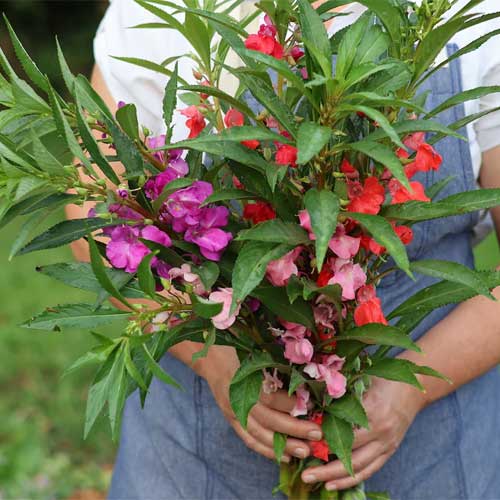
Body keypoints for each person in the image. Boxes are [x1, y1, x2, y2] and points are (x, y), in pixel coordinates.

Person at [67, 1, 500, 498]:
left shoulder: (477, 16)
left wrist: (408, 389)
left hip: (430, 455)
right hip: (193, 462)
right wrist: (211, 357)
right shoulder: (153, 12)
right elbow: (95, 221)